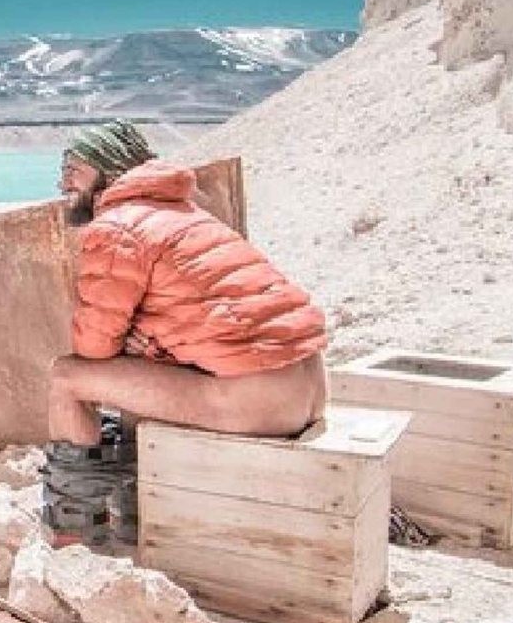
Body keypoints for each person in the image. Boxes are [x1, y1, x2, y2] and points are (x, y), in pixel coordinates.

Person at [44, 120, 329, 546]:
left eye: (75, 167)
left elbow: (92, 347)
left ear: (110, 169)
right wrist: (150, 343)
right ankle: (144, 509)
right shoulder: (186, 213)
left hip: (258, 402)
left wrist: (129, 339)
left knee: (67, 378)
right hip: (308, 389)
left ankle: (74, 534)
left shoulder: (118, 225)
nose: (63, 179)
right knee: (140, 366)